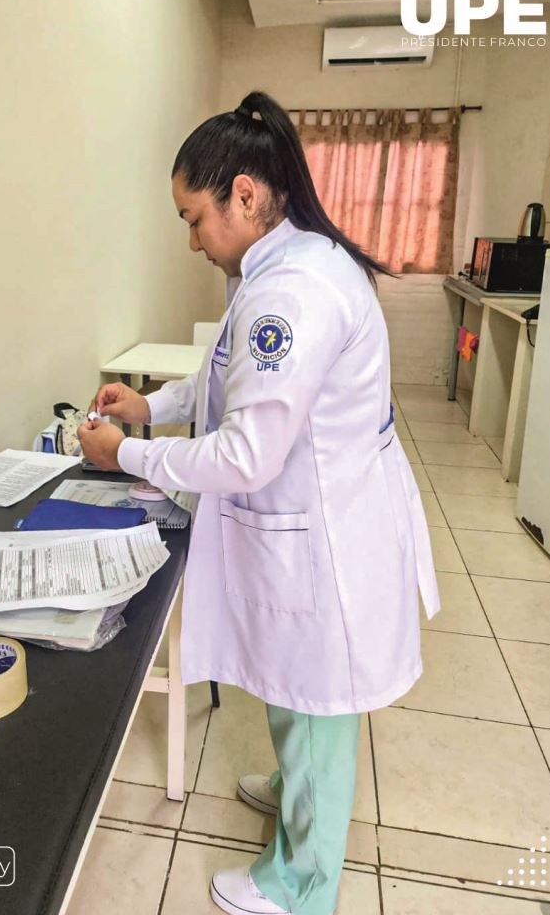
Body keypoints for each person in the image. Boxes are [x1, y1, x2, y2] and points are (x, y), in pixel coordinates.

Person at [77, 91, 440, 915]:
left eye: (194, 217)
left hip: (325, 536)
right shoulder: (280, 264)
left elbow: (245, 451)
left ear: (243, 194)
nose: (193, 238)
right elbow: (225, 378)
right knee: (293, 685)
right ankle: (292, 787)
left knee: (315, 699)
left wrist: (124, 451)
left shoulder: (291, 293)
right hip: (312, 516)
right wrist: (150, 407)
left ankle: (302, 883)